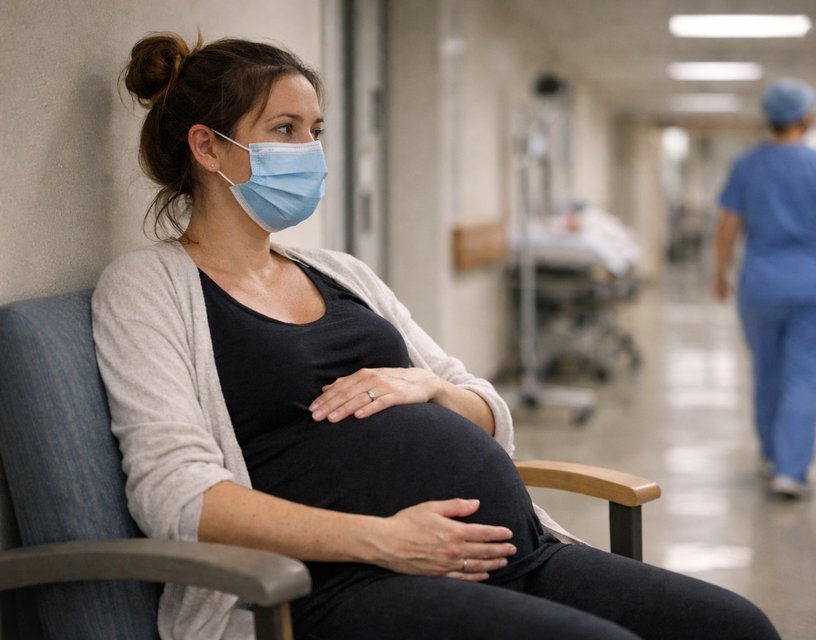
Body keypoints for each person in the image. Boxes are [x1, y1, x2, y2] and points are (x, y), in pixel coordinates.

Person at [93, 32, 781, 640]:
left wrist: (429, 387)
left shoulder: (341, 273)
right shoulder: (150, 288)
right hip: (340, 586)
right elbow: (175, 493)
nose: (311, 151)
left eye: (315, 129)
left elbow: (482, 406)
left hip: (517, 553)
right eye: (285, 129)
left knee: (736, 627)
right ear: (208, 145)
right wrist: (386, 541)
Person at [714, 77, 816, 499]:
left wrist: (720, 272)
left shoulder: (747, 166)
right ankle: (791, 470)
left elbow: (728, 226)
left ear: (769, 118)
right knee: (804, 377)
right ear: (807, 117)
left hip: (760, 284)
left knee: (767, 371)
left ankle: (769, 455)